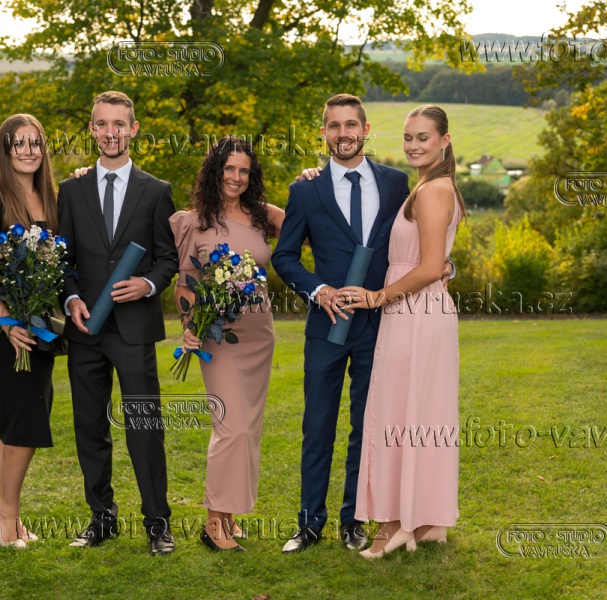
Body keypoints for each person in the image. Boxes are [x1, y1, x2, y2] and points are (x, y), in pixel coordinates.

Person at [271, 93, 411, 554]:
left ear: (365, 130)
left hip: (378, 326)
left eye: (351, 125)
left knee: (366, 429)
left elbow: (412, 241)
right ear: (324, 133)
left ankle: (354, 520)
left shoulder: (395, 183)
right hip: (326, 327)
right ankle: (309, 523)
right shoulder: (305, 190)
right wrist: (318, 290)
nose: (343, 133)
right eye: (334, 126)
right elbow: (284, 256)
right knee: (317, 427)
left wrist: (441, 265)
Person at [339, 104, 464, 557]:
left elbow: (429, 266)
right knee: (419, 416)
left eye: (423, 137)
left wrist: (377, 297)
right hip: (418, 312)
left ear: (444, 141)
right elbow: (437, 261)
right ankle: (426, 520)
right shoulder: (430, 187)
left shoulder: (433, 191)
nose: (413, 145)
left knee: (399, 414)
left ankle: (395, 524)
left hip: (415, 314)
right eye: (408, 137)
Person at [58, 91, 179, 555]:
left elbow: (167, 259)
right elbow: (63, 259)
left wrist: (147, 284)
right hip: (85, 328)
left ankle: (157, 523)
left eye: (119, 124)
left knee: (144, 427)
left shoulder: (156, 190)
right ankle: (101, 518)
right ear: (92, 130)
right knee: (90, 427)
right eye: (102, 124)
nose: (111, 132)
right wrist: (71, 298)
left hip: (133, 328)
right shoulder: (71, 190)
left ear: (134, 130)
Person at [170, 135, 284, 552]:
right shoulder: (194, 222)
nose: (236, 177)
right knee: (231, 426)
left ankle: (230, 515)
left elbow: (315, 227)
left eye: (244, 171)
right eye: (229, 168)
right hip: (216, 336)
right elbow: (186, 284)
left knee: (247, 428)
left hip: (258, 336)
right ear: (215, 171)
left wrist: (313, 178)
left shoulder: (263, 216)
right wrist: (189, 324)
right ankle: (213, 523)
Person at [0, 113, 58, 548]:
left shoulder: (52, 198)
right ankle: (8, 517)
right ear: (5, 150)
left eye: (34, 143)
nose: (27, 151)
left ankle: (2, 510)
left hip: (38, 327)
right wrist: (7, 323)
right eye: (18, 143)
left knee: (20, 415)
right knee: (26, 414)